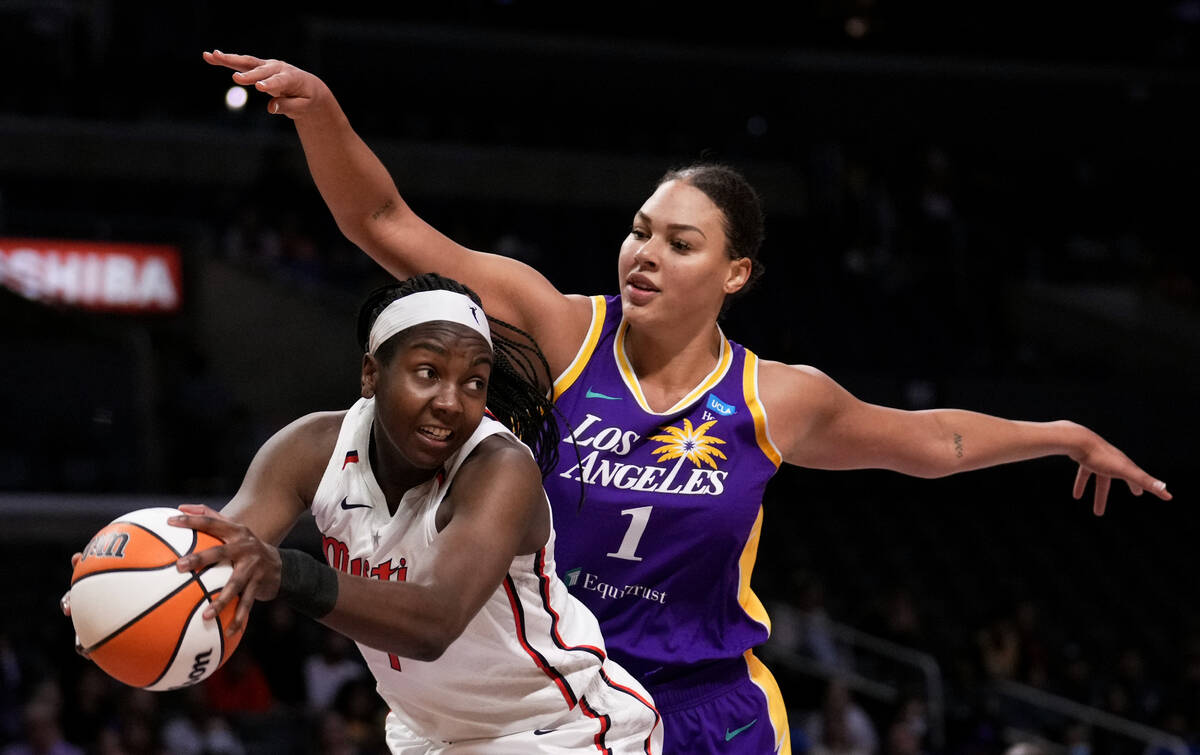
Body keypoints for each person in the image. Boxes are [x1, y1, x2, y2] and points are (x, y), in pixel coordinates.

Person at [202, 50, 1173, 754]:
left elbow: (937, 439)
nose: (643, 253)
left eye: (678, 241)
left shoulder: (774, 398)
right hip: (554, 692)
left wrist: (1061, 432)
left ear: (736, 271)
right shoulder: (555, 327)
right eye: (638, 230)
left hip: (714, 707)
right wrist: (323, 110)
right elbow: (384, 223)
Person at [65, 274, 662, 754]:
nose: (452, 402)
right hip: (427, 735)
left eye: (474, 383)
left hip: (561, 728)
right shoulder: (310, 449)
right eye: (428, 373)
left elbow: (433, 621)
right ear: (372, 373)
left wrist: (289, 572)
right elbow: (223, 557)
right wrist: (123, 603)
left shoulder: (499, 468)